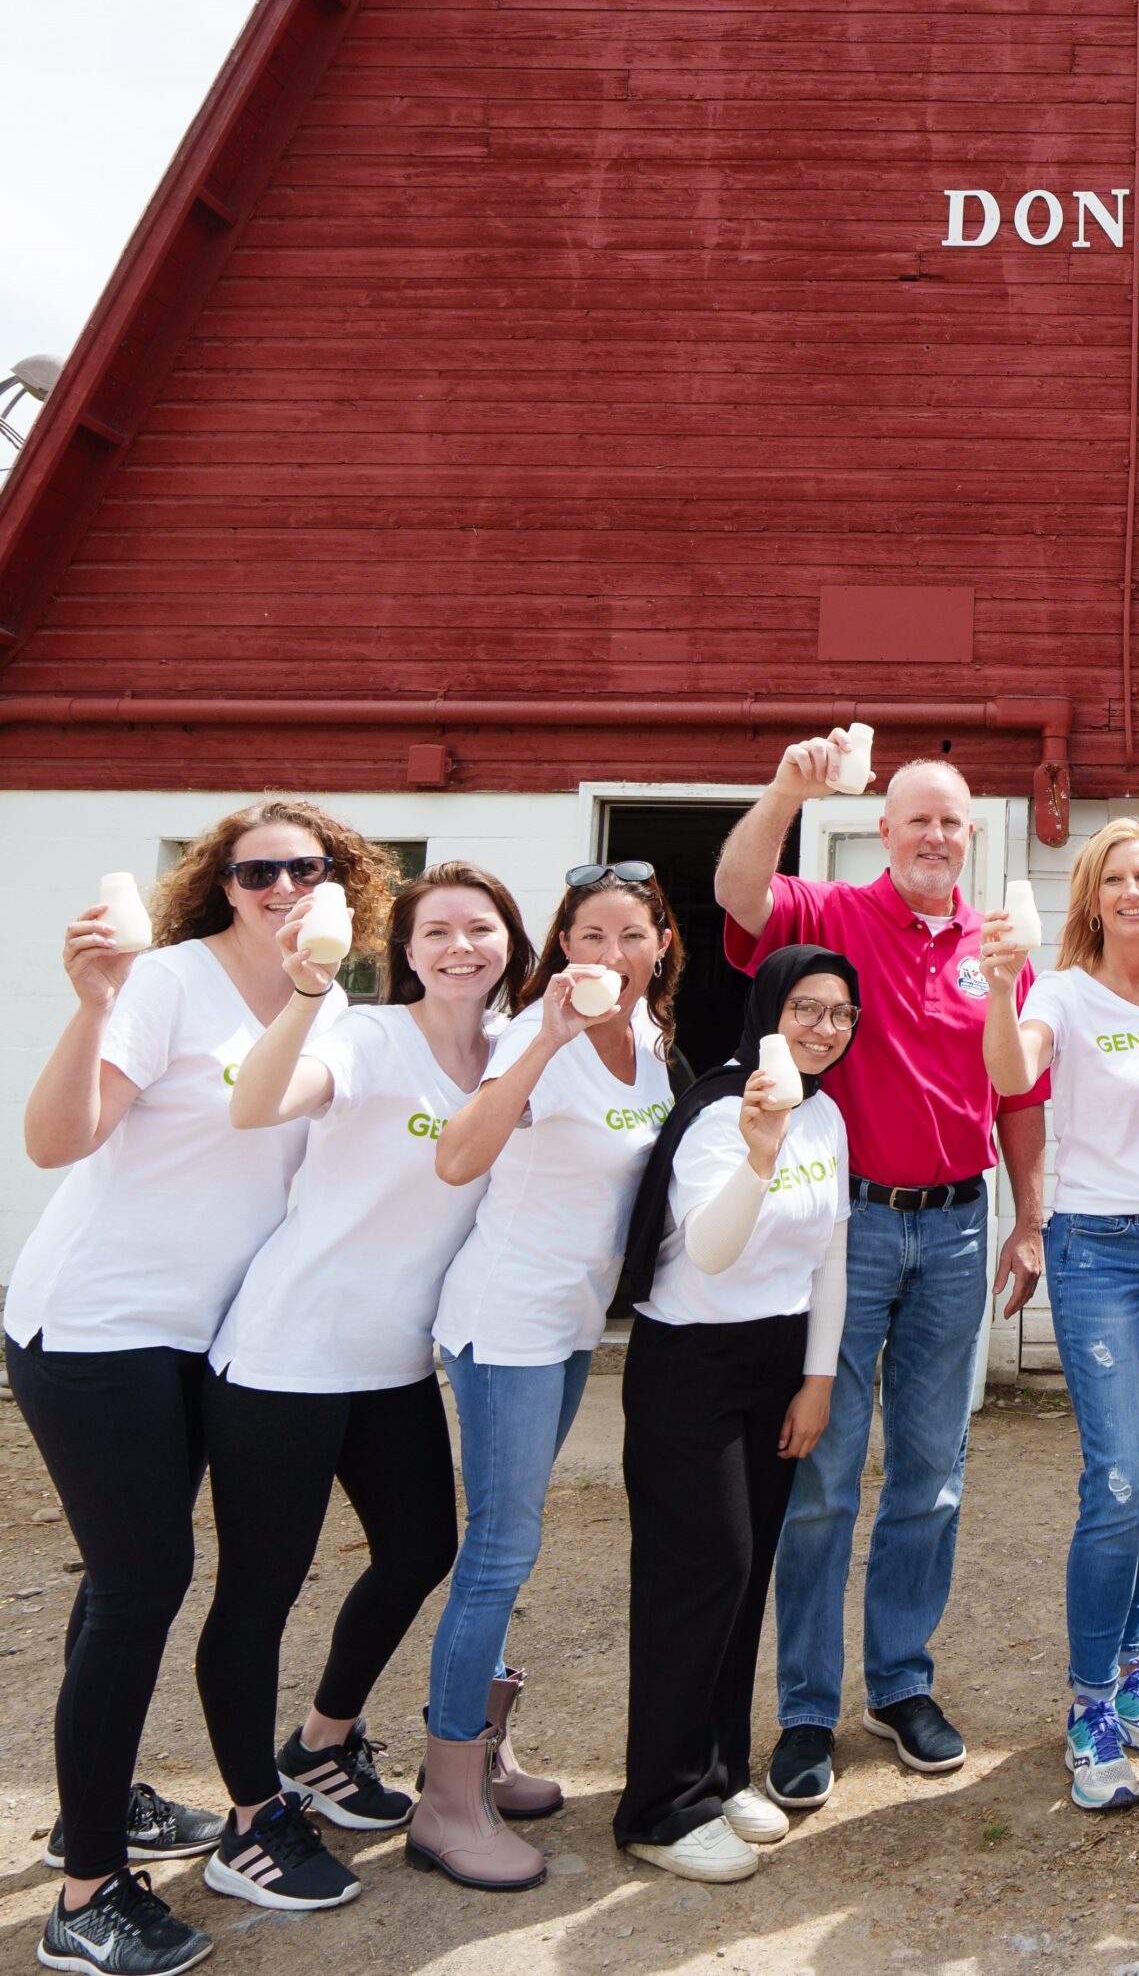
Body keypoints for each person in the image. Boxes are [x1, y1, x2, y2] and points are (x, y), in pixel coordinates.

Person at [11, 801, 393, 1974]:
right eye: (256, 871)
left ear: (345, 883)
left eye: (307, 867)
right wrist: (90, 1005)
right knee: (144, 1581)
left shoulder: (333, 1000)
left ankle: (108, 1801)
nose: (283, 887)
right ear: (219, 887)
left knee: (128, 1578)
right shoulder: (169, 982)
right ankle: (86, 1897)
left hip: (205, 1342)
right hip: (97, 1326)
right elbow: (55, 1140)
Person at [713, 740, 1047, 1804]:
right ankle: (808, 1705)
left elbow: (1018, 1098)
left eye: (954, 822)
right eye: (918, 820)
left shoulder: (999, 947)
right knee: (820, 1476)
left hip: (955, 1227)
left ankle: (899, 1683)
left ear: (968, 837)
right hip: (846, 1227)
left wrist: (1026, 1218)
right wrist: (786, 791)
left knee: (931, 1476)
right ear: (885, 831)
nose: (938, 837)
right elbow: (737, 891)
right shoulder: (832, 914)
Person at [199, 867, 534, 1911]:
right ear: (407, 950)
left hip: (394, 1360)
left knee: (421, 1551)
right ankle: (251, 1817)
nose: (459, 947)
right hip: (287, 1354)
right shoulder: (365, 1034)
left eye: (480, 928)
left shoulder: (521, 1050)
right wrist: (306, 994)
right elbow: (255, 1106)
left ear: (511, 945)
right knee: (261, 1589)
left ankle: (322, 1742)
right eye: (436, 931)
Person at [416, 864, 679, 1890]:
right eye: (586, 937)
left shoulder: (652, 1040)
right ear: (561, 949)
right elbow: (455, 1159)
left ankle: (486, 1755)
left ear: (660, 946)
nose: (606, 957)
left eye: (628, 936)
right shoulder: (538, 1034)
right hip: (506, 1318)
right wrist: (544, 1042)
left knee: (511, 1544)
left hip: (571, 1324)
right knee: (500, 1545)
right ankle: (446, 1799)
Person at [981, 818, 1139, 1814]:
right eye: (1113, 877)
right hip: (1098, 1253)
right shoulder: (1063, 996)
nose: (1132, 891)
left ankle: (1127, 1679)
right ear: (1090, 897)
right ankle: (1086, 1707)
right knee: (1116, 1479)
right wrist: (1000, 984)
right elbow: (1007, 1076)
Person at [612, 947, 859, 1883]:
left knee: (744, 1573)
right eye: (806, 1009)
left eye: (841, 1013)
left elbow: (828, 1256)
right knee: (699, 1571)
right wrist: (760, 1150)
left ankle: (714, 1774)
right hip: (692, 1364)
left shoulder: (829, 1115)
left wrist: (818, 1379)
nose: (824, 1028)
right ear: (768, 1012)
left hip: (776, 1361)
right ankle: (659, 1807)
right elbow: (711, 1254)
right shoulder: (724, 1112)